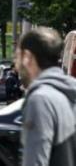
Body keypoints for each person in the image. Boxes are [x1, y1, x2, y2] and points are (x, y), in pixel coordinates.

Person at [18, 28, 76, 166]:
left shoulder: (40, 100)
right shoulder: (69, 93)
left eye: (17, 57)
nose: (16, 65)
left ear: (27, 57)